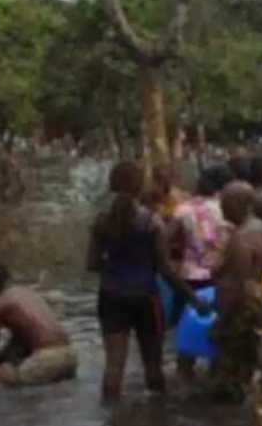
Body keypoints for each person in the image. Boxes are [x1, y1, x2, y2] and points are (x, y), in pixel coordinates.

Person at [88, 161, 206, 400]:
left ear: (112, 184)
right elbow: (166, 271)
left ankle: (111, 420)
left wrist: (116, 266)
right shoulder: (152, 222)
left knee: (113, 366)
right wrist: (193, 299)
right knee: (153, 367)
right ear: (139, 186)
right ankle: (157, 419)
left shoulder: (101, 221)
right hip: (145, 297)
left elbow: (92, 264)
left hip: (111, 296)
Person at [211, 181, 262, 401]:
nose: (221, 209)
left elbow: (238, 283)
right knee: (246, 365)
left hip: (239, 310)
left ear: (241, 204)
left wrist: (221, 322)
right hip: (257, 301)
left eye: (225, 204)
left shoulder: (242, 237)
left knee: (227, 376)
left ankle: (228, 417)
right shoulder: (261, 228)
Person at [0, 262, 78, 388]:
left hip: (47, 359)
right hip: (70, 356)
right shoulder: (28, 292)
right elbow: (19, 342)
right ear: (8, 277)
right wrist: (1, 361)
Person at [172, 165, 231, 380]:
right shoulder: (227, 210)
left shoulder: (182, 210)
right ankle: (214, 380)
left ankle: (183, 379)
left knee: (186, 339)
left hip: (188, 281)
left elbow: (170, 242)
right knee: (220, 336)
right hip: (218, 279)